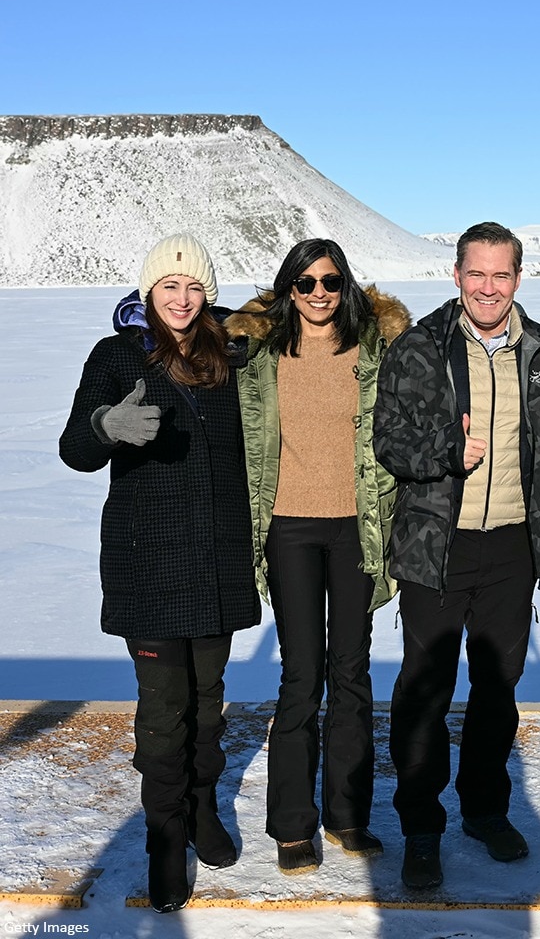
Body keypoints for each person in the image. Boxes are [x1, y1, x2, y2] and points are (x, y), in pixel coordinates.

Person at [59, 234, 261, 913]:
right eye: (169, 286)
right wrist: (106, 423)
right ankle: (164, 839)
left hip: (216, 561)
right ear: (149, 292)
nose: (181, 299)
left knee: (208, 707)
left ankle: (203, 810)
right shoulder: (117, 355)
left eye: (194, 287)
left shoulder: (231, 359)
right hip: (149, 564)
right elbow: (74, 448)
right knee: (163, 714)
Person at [373, 222, 540, 891]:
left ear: (518, 279)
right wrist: (445, 458)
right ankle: (421, 826)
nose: (488, 287)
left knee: (497, 689)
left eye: (501, 275)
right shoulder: (419, 348)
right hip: (439, 542)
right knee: (425, 690)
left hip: (512, 544)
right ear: (456, 276)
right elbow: (389, 443)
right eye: (476, 274)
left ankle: (485, 809)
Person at [225, 239, 410, 874]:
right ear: (288, 288)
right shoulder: (259, 351)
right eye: (305, 283)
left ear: (347, 285)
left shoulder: (376, 348)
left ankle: (348, 814)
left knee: (352, 674)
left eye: (330, 281)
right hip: (290, 529)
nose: (319, 293)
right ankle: (292, 825)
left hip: (357, 527)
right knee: (302, 675)